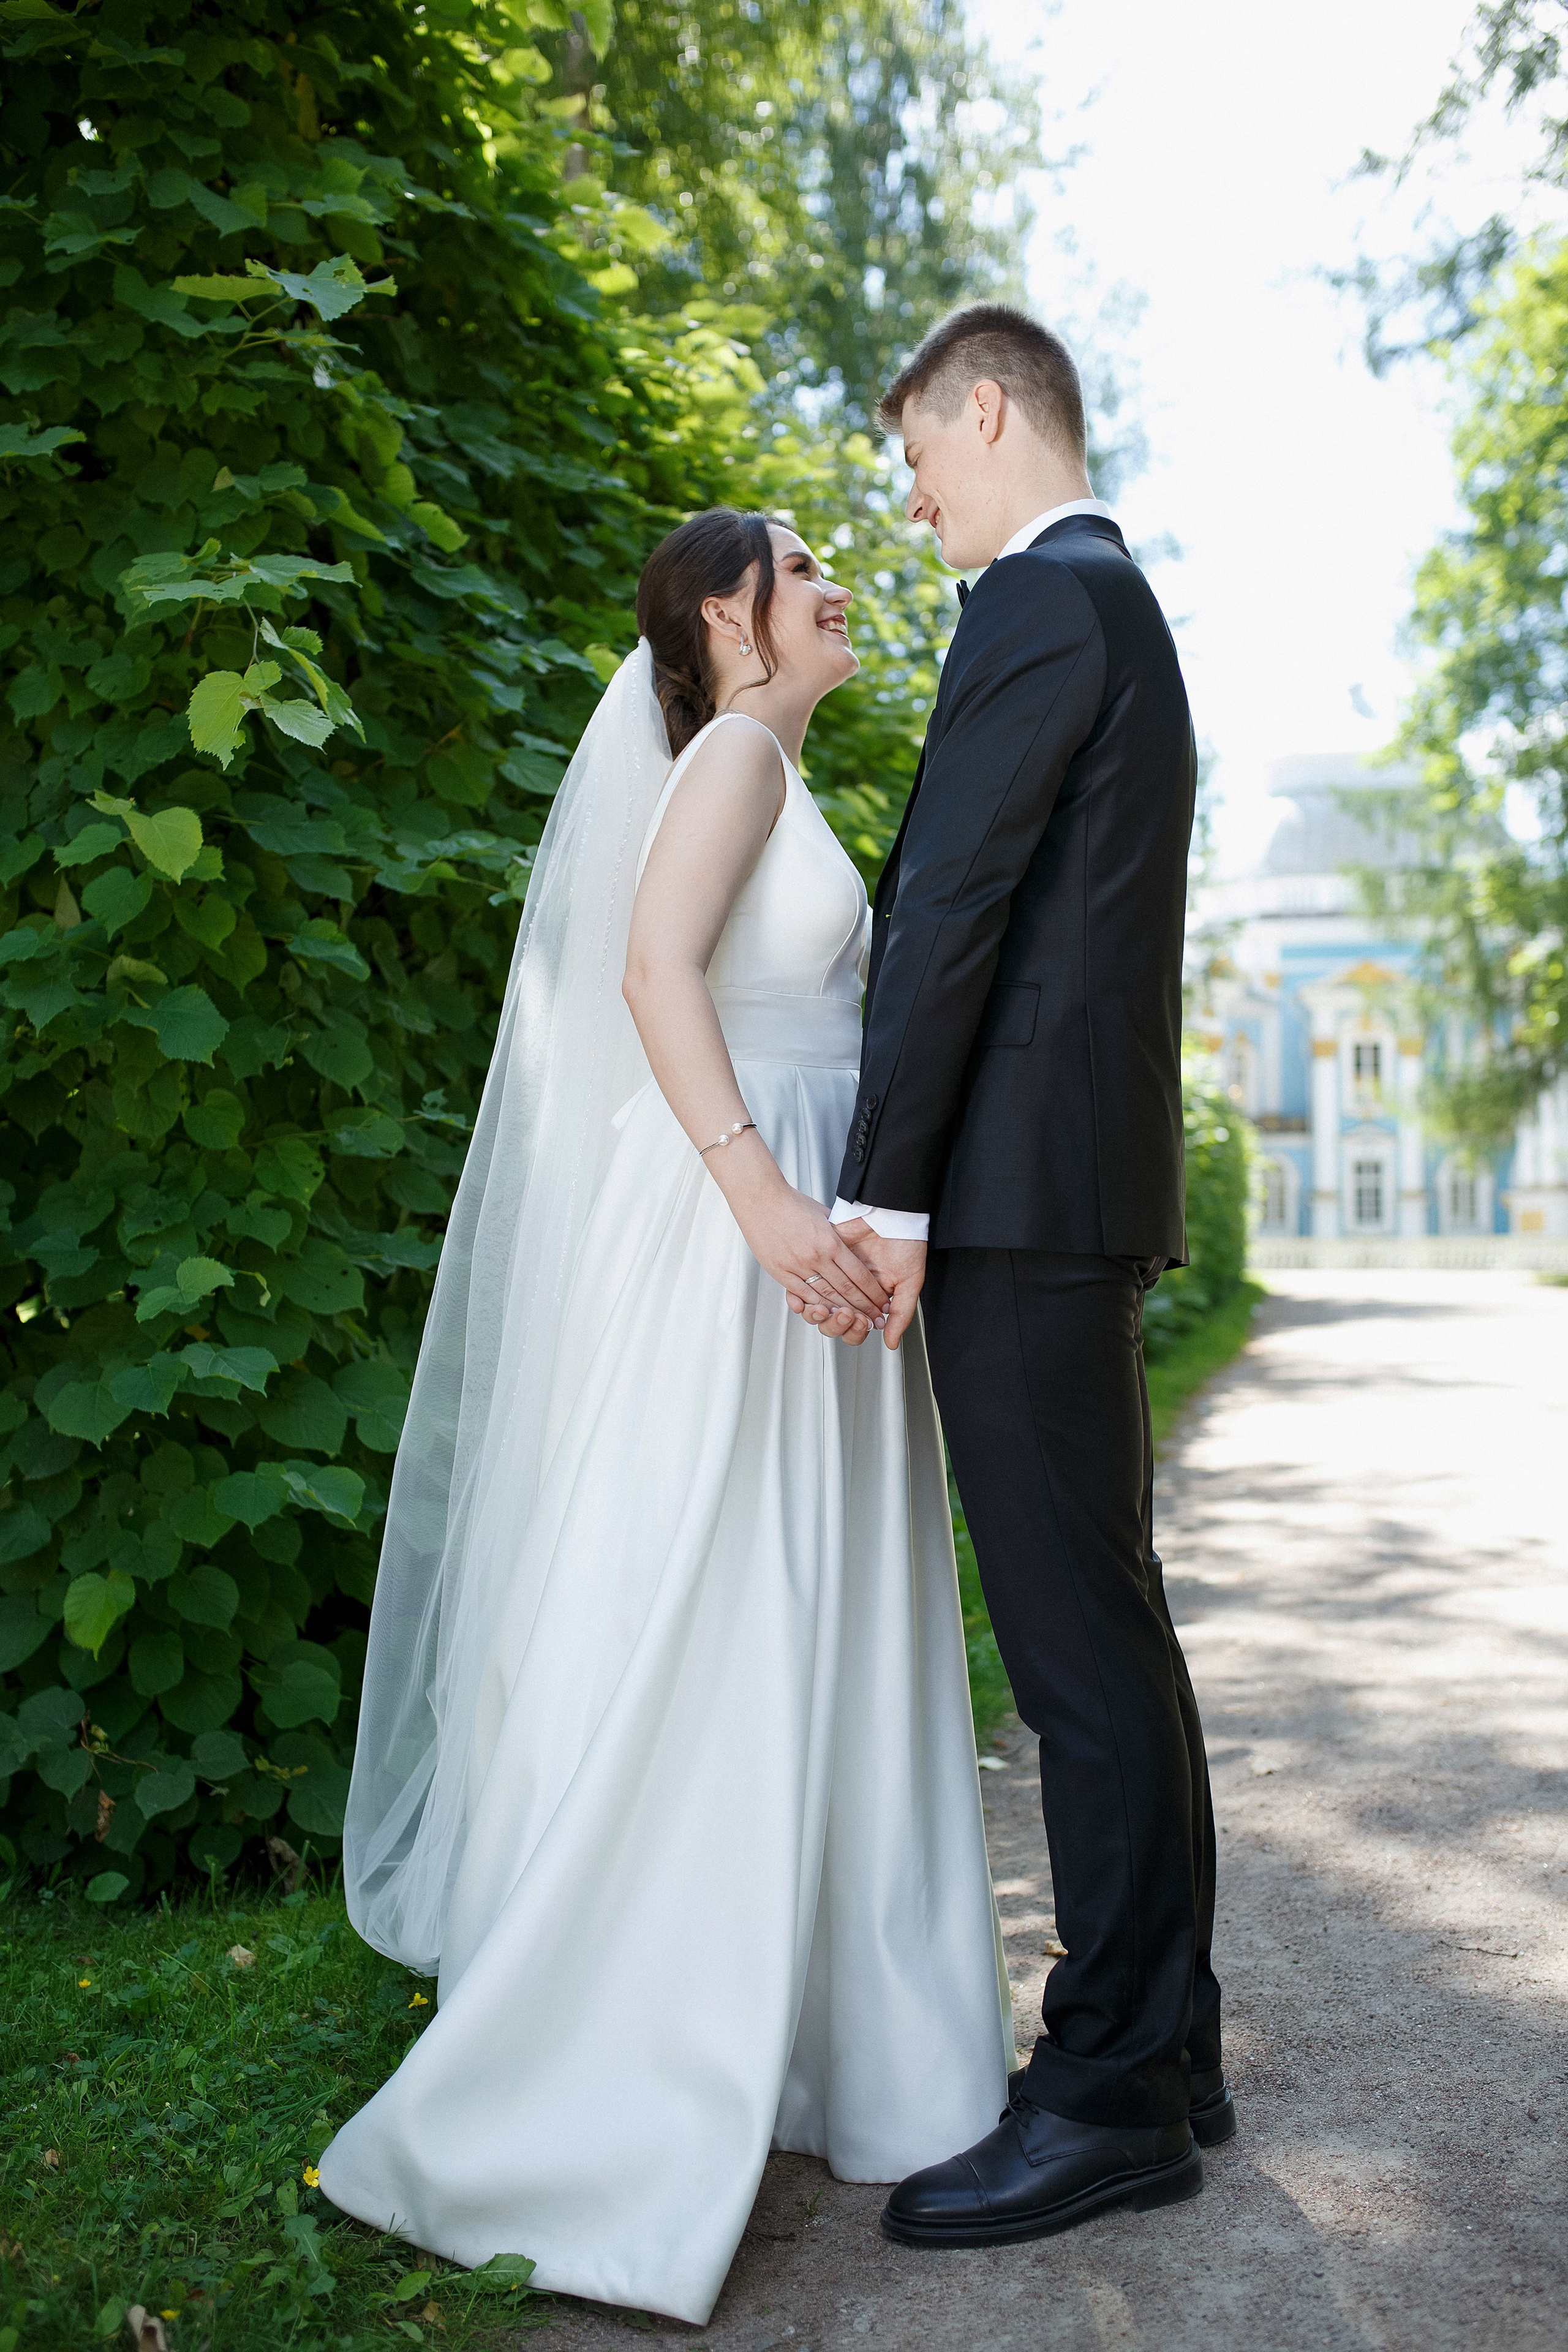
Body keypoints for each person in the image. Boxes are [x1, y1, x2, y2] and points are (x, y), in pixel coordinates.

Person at [320, 509, 1014, 2324]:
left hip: (799, 1207)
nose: (840, 580)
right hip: (737, 1221)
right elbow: (650, 974)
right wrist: (773, 1209)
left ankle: (816, 2034)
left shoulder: (775, 764)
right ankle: (643, 2043)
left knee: (807, 1604)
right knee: (725, 1593)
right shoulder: (727, 755)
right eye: (805, 564)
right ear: (733, 614)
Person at [826, 303, 1231, 2247]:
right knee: (1113, 1630)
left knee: (1076, 1653)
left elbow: (956, 909)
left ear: (991, 409)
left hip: (1010, 1200)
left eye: (916, 458)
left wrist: (883, 1197)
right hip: (1066, 1191)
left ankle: (1110, 2091)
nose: (911, 507)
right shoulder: (1111, 612)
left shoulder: (1042, 609)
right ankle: (1175, 2040)